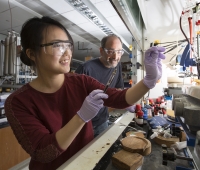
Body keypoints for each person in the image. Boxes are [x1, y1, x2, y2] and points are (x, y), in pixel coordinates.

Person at [5, 16, 165, 170]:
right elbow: (43, 152)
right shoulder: (18, 102)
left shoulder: (81, 82)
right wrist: (81, 117)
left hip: (86, 162)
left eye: (68, 45)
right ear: (32, 54)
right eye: (57, 45)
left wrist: (148, 81)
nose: (67, 53)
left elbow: (119, 99)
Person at [75, 34, 135, 137]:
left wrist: (127, 102)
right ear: (101, 51)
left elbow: (118, 89)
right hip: (83, 124)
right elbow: (73, 100)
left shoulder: (117, 66)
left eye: (119, 51)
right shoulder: (85, 68)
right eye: (111, 51)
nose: (116, 57)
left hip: (102, 121)